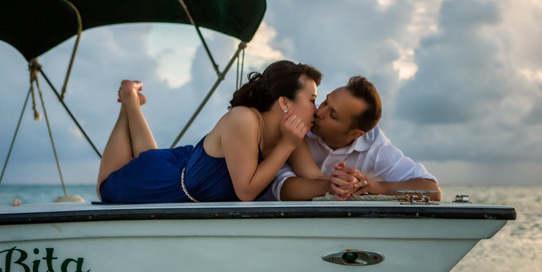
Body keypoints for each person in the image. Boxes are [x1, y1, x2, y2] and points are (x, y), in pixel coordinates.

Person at [97, 61, 325, 203]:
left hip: (180, 163)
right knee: (105, 188)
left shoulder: (293, 133)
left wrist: (344, 185)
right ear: (284, 102)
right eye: (312, 100)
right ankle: (128, 99)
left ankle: (132, 101)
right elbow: (246, 192)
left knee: (148, 157)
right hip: (166, 183)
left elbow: (315, 179)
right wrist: (286, 145)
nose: (316, 108)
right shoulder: (244, 119)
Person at [267, 75, 440, 201]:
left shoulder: (374, 145)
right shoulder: (301, 120)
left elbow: (432, 192)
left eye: (332, 115)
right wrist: (333, 185)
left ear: (355, 134)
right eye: (325, 102)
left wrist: (373, 186)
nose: (319, 112)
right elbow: (283, 188)